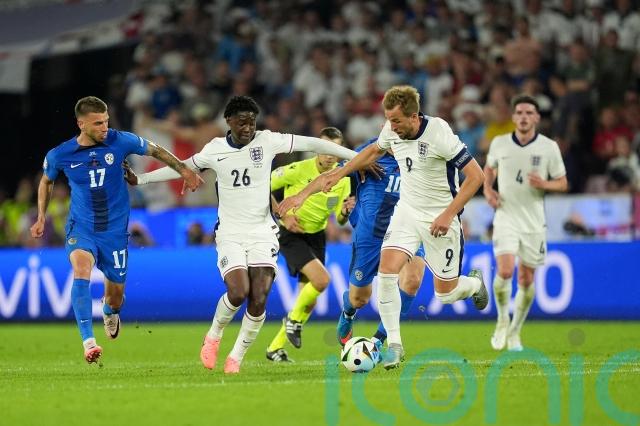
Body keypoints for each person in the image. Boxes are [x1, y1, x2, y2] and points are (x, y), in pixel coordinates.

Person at [127, 96, 358, 374]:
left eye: (252, 121)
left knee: (259, 297)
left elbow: (315, 143)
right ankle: (213, 336)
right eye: (242, 121)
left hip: (263, 231)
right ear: (228, 121)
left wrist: (357, 158)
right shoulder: (215, 149)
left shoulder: (268, 140)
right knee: (238, 292)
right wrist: (141, 179)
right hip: (230, 233)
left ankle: (235, 357)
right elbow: (183, 166)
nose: (248, 127)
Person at [278, 85, 488, 370]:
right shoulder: (391, 133)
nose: (390, 126)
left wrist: (449, 214)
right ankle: (392, 345)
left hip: (439, 217)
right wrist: (338, 175)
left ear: (414, 117)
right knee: (384, 275)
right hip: (405, 214)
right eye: (388, 120)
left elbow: (476, 177)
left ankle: (474, 283)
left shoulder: (439, 133)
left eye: (396, 121)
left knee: (445, 293)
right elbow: (372, 151)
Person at [30, 96, 201, 364]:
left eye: (106, 121)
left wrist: (184, 170)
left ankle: (110, 311)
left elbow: (156, 150)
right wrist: (41, 216)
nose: (105, 128)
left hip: (114, 232)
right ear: (81, 124)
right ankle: (89, 342)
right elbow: (46, 182)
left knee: (116, 297)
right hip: (82, 227)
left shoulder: (121, 141)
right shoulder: (60, 154)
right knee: (81, 270)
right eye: (98, 123)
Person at [484, 94, 568, 352]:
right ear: (513, 117)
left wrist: (545, 184)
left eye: (529, 113)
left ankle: (515, 331)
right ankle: (502, 319)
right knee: (505, 271)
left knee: (526, 278)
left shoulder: (548, 147)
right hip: (505, 216)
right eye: (519, 112)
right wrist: (487, 189)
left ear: (537, 118)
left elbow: (562, 183)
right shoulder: (499, 143)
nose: (523, 117)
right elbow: (489, 168)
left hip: (533, 221)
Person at [266, 127, 354, 362]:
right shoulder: (298, 169)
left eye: (335, 150)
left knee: (307, 302)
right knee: (322, 280)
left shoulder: (343, 179)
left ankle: (275, 348)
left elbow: (340, 218)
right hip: (290, 233)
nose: (330, 155)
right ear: (316, 149)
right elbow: (262, 183)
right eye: (325, 149)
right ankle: (293, 321)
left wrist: (345, 212)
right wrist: (283, 215)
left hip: (316, 236)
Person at [335, 137, 426, 352]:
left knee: (412, 280)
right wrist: (358, 164)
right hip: (371, 234)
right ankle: (348, 310)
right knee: (359, 299)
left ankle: (377, 341)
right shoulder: (370, 150)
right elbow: (338, 171)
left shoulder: (422, 152)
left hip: (407, 229)